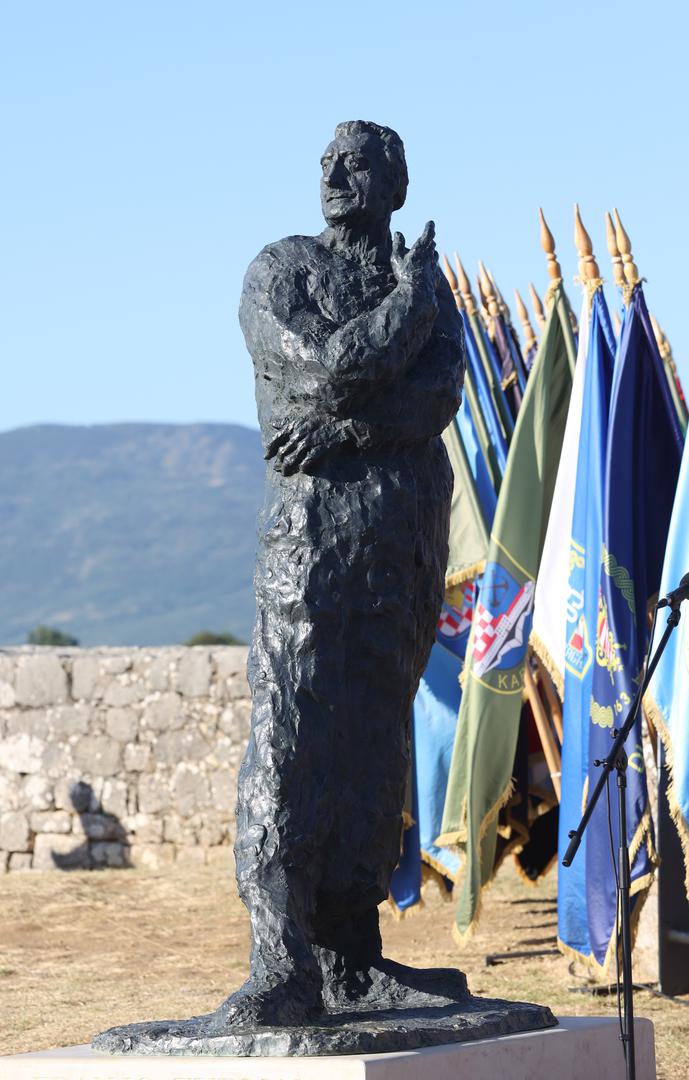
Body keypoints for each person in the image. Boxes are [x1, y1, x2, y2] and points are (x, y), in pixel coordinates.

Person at [228, 120, 466, 1026]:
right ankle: (278, 960)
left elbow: (437, 394)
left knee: (374, 747)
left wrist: (355, 433)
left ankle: (351, 959)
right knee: (292, 734)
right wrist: (408, 303)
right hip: (312, 538)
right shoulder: (281, 269)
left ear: (394, 185)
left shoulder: (425, 289)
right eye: (325, 161)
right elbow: (326, 369)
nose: (333, 173)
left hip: (401, 540)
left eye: (356, 161)